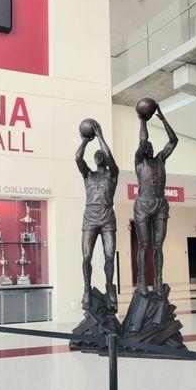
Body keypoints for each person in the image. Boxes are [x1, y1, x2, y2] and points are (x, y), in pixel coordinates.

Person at [134, 105, 178, 297]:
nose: (149, 148)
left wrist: (162, 118)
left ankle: (158, 279)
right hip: (143, 204)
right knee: (144, 245)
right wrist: (143, 119)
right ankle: (142, 279)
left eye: (152, 147)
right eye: (147, 147)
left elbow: (173, 140)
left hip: (160, 203)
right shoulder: (139, 161)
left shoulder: (160, 159)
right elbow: (143, 139)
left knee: (158, 244)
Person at [76, 121, 119, 310]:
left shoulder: (113, 174)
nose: (100, 155)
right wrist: (85, 141)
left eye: (102, 154)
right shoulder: (88, 175)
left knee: (110, 256)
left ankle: (109, 286)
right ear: (94, 160)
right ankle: (86, 288)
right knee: (86, 257)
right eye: (97, 154)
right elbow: (78, 158)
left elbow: (109, 155)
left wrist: (100, 136)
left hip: (108, 216)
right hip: (90, 217)